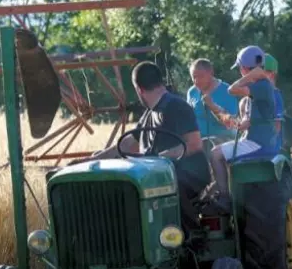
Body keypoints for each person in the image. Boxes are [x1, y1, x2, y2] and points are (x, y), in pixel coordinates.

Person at [71, 61, 210, 230]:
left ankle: (191, 237)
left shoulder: (177, 106)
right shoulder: (148, 114)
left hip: (186, 175)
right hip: (155, 177)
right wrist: (92, 160)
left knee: (161, 187)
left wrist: (158, 159)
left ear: (139, 89)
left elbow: (194, 144)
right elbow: (125, 146)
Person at [208, 45, 278, 208]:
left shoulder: (261, 86)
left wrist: (253, 74)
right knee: (222, 152)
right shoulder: (261, 86)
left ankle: (224, 198)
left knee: (214, 154)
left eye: (240, 68)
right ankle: (222, 189)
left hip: (257, 143)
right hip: (259, 140)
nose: (239, 71)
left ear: (244, 68)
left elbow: (232, 89)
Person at [186, 59, 239, 143]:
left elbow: (232, 123)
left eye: (201, 76)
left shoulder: (227, 91)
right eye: (194, 77)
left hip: (222, 140)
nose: (197, 81)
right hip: (196, 140)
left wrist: (212, 106)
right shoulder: (192, 92)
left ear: (211, 73)